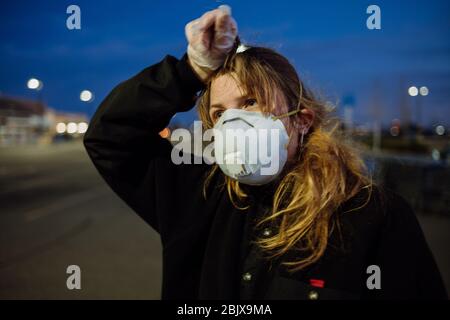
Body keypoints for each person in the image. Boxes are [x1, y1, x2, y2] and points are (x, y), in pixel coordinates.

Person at [83, 5, 447, 300]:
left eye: (251, 101)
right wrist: (190, 71)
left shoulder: (372, 215)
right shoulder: (196, 195)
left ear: (301, 120)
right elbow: (110, 136)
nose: (233, 122)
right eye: (219, 113)